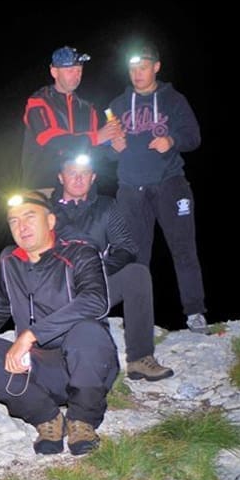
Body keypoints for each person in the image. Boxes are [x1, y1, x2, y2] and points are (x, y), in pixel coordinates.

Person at [0, 191, 118, 456]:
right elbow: (1, 306)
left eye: (29, 217)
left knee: (87, 331)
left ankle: (82, 420)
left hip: (85, 366)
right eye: (14, 221)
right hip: (40, 372)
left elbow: (95, 300)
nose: (21, 226)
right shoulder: (9, 260)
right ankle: (47, 419)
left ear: (50, 221)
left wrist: (30, 335)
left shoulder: (80, 252)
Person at [107, 44, 209, 334]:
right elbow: (106, 152)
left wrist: (172, 140)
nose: (137, 74)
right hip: (131, 189)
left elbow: (193, 137)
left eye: (143, 67)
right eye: (132, 69)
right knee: (135, 257)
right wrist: (113, 148)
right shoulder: (117, 105)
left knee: (183, 249)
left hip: (170, 184)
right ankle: (137, 320)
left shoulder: (173, 100)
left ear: (156, 67)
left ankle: (195, 313)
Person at [51, 152, 174, 381]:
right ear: (61, 177)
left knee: (137, 273)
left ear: (93, 177)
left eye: (85, 173)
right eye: (72, 173)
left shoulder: (106, 206)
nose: (78, 179)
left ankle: (139, 358)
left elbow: (126, 247)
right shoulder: (44, 210)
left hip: (95, 283)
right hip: (55, 289)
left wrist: (98, 272)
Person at [21, 46, 123, 194]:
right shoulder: (39, 101)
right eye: (70, 70)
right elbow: (50, 139)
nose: (76, 76)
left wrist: (114, 148)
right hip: (43, 187)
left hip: (78, 187)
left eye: (79, 71)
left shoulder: (88, 109)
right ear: (54, 72)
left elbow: (91, 151)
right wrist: (97, 137)